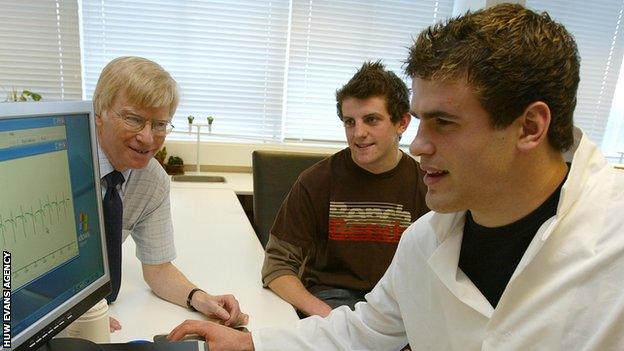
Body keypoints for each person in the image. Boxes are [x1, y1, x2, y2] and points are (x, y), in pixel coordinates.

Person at [168, 4, 624, 350]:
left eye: (443, 122)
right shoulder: (425, 239)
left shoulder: (614, 238)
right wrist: (253, 343)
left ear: (529, 127)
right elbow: (366, 330)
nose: (419, 144)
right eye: (420, 120)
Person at [261, 61, 429, 318]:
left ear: (402, 123)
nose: (358, 133)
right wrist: (326, 316)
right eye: (350, 122)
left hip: (397, 305)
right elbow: (276, 266)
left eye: (371, 120)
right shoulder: (316, 181)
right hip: (331, 301)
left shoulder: (427, 186)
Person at [93, 56, 248, 331]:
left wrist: (199, 298)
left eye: (160, 124)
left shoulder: (152, 180)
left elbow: (158, 268)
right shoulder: (62, 166)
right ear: (99, 114)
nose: (147, 137)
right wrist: (75, 317)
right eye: (133, 119)